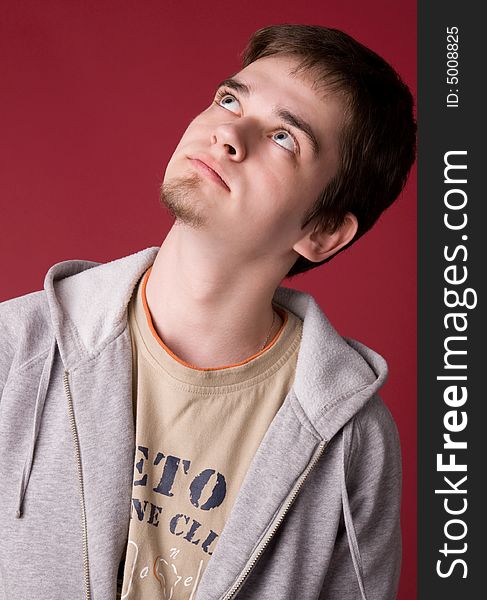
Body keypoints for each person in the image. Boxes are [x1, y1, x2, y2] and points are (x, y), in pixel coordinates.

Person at [0, 24, 415, 600]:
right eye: (229, 100)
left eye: (285, 138)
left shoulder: (352, 439)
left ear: (322, 231)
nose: (228, 133)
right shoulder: (15, 348)